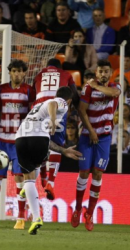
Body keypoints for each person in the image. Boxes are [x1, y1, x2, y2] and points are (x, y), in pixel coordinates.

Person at [15, 86, 81, 235]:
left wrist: (63, 151)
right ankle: (36, 214)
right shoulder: (61, 102)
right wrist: (52, 120)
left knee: (29, 177)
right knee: (37, 165)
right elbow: (53, 104)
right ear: (69, 101)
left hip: (20, 138)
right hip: (38, 139)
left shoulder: (38, 106)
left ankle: (35, 216)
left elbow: (44, 139)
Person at [71, 60, 121, 231]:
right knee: (84, 172)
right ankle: (78, 208)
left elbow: (114, 93)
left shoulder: (115, 86)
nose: (102, 74)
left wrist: (97, 86)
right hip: (87, 135)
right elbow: (81, 110)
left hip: (104, 138)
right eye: (100, 71)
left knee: (98, 174)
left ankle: (90, 213)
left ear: (111, 72)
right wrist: (91, 131)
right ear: (96, 72)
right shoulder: (87, 88)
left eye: (106, 71)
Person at [0, 60, 35, 229]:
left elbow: (31, 115)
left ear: (24, 73)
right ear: (10, 72)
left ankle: (21, 217)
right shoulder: (1, 90)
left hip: (20, 141)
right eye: (14, 71)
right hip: (1, 140)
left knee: (20, 177)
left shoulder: (29, 90)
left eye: (20, 71)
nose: (17, 74)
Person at [32, 58, 79, 200]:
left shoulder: (38, 75)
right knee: (56, 146)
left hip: (39, 110)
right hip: (58, 109)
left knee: (41, 145)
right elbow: (74, 95)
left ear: (47, 67)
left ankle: (43, 175)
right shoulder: (66, 74)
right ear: (60, 67)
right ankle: (50, 182)